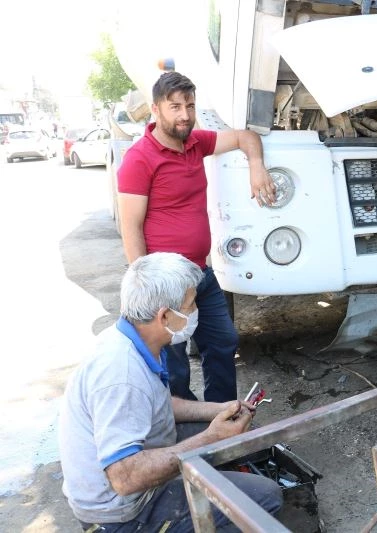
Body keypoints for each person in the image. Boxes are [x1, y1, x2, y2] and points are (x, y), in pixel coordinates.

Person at [58, 252, 282, 531]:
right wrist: (210, 438)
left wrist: (218, 408)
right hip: (122, 513)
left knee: (235, 436)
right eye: (190, 305)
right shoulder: (122, 374)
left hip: (130, 473)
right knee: (264, 497)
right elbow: (125, 478)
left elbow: (160, 404)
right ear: (165, 315)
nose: (194, 310)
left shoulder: (134, 339)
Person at [117, 71, 276, 402]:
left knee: (223, 341)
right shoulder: (139, 158)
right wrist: (146, 285)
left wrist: (256, 165)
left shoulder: (194, 142)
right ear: (155, 109)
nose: (184, 115)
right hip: (166, 283)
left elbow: (245, 137)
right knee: (173, 364)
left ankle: (222, 419)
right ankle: (184, 432)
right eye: (174, 107)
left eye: (189, 105)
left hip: (201, 274)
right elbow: (130, 226)